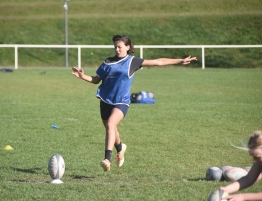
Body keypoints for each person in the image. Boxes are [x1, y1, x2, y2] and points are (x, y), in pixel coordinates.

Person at [71, 34, 197, 171]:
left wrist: (180, 61)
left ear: (128, 47)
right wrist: (82, 76)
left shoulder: (132, 61)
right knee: (110, 128)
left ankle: (107, 159)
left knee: (111, 124)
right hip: (105, 100)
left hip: (122, 101)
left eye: (119, 47)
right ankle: (120, 147)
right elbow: (96, 80)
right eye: (115, 47)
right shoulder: (107, 62)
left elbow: (158, 62)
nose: (117, 49)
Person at [220, 130, 262, 201]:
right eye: (253, 156)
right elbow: (249, 178)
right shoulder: (259, 161)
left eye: (257, 156)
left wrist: (243, 197)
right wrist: (226, 189)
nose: (254, 160)